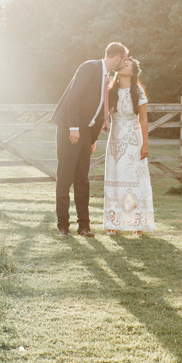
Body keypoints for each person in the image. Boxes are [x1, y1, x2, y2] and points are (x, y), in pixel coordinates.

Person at [51, 42, 129, 237]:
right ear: (118, 57)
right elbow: (74, 97)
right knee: (65, 178)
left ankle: (84, 226)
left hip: (86, 135)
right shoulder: (89, 67)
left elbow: (98, 110)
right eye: (125, 59)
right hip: (70, 130)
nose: (125, 63)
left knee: (82, 180)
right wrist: (74, 127)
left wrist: (92, 139)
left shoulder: (107, 77)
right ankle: (63, 226)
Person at [103, 57, 155, 236]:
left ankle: (137, 224)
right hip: (115, 139)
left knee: (134, 180)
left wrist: (145, 144)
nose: (123, 65)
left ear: (132, 72)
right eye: (122, 63)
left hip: (133, 139)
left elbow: (143, 119)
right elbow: (103, 114)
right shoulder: (110, 90)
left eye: (127, 65)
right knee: (114, 178)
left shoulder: (138, 91)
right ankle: (113, 222)